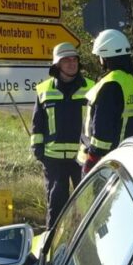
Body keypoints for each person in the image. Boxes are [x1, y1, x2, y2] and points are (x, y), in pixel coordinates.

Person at [32, 42, 94, 228]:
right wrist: (38, 151)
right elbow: (37, 124)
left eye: (74, 59)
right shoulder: (43, 89)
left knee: (90, 205)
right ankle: (53, 249)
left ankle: (92, 248)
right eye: (66, 60)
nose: (71, 63)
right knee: (56, 206)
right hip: (54, 161)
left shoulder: (92, 87)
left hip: (83, 159)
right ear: (57, 65)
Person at [78, 29, 133, 175]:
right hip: (122, 156)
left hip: (103, 162)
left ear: (105, 56)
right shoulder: (129, 80)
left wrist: (92, 159)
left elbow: (102, 127)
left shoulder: (110, 84)